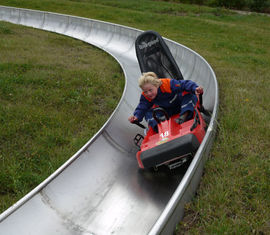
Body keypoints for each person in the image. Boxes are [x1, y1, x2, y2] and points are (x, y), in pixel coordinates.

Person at [128, 72, 203, 132]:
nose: (148, 94)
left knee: (190, 95)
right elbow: (142, 107)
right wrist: (136, 117)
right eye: (145, 91)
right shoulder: (145, 96)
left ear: (156, 85)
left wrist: (195, 88)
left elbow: (184, 84)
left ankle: (184, 116)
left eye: (150, 90)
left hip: (180, 105)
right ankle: (159, 127)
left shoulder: (167, 84)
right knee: (148, 113)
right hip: (166, 111)